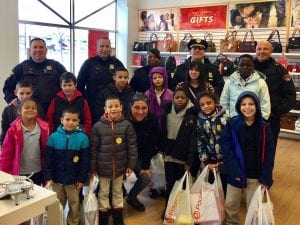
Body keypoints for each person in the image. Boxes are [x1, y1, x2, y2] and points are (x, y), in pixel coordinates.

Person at [220, 91, 275, 225]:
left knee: (253, 206)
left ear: (257, 106)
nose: (247, 107)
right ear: (239, 106)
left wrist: (266, 176)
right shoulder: (232, 124)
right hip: (236, 172)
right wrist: (233, 170)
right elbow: (226, 149)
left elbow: (270, 154)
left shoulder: (265, 127)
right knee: (231, 204)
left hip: (255, 174)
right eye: (244, 104)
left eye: (251, 104)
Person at [90, 96, 137, 225]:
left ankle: (118, 219)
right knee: (103, 193)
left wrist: (131, 164)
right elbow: (93, 150)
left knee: (118, 192)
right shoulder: (97, 127)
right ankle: (103, 219)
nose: (113, 109)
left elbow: (132, 146)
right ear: (105, 108)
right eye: (110, 106)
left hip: (120, 168)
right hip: (103, 169)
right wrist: (93, 168)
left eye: (116, 106)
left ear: (121, 107)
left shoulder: (127, 125)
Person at [44, 108, 89, 225]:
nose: (70, 122)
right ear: (61, 120)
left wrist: (81, 178)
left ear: (78, 121)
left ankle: (72, 222)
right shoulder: (53, 137)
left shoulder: (83, 138)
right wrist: (48, 176)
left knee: (74, 203)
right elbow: (48, 160)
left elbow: (85, 161)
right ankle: (56, 222)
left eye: (74, 120)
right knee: (57, 203)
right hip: (56, 180)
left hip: (74, 180)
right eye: (67, 119)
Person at [160, 87, 197, 219]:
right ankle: (168, 208)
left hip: (182, 157)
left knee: (182, 185)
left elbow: (193, 140)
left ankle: (181, 210)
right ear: (173, 98)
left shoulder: (192, 115)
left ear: (187, 99)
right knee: (169, 184)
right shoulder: (167, 112)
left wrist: (189, 160)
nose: (180, 100)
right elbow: (162, 132)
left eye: (183, 97)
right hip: (169, 156)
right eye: (177, 97)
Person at [3, 37, 67, 112]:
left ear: (46, 50)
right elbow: (7, 87)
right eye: (35, 47)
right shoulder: (21, 68)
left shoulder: (56, 66)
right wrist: (11, 98)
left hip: (53, 111)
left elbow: (68, 84)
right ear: (30, 50)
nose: (38, 50)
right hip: (29, 111)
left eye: (41, 47)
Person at [254, 40, 296, 147]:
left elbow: (290, 95)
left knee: (268, 150)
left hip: (271, 120)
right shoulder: (248, 68)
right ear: (255, 50)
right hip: (249, 117)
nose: (262, 51)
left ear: (271, 51)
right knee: (249, 151)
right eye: (259, 49)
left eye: (265, 49)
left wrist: (276, 111)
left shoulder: (279, 70)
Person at [0, 98, 49, 185]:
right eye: (26, 107)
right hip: (19, 174)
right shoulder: (13, 130)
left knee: (36, 196)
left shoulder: (44, 129)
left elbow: (47, 152)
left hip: (38, 172)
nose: (30, 109)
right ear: (19, 111)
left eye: (33, 108)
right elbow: (6, 155)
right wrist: (2, 175)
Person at [77, 37, 124, 124]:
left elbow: (124, 82)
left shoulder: (117, 63)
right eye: (101, 46)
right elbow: (80, 84)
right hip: (93, 106)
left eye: (107, 46)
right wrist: (84, 101)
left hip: (113, 106)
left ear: (110, 48)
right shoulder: (88, 63)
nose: (104, 49)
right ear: (97, 47)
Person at [126, 93, 160, 212]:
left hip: (140, 156)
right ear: (130, 106)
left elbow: (153, 144)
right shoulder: (123, 119)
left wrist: (145, 166)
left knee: (145, 178)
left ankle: (132, 197)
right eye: (136, 107)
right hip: (123, 156)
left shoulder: (152, 119)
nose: (140, 112)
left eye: (144, 108)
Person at [220, 54, 271, 120]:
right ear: (237, 66)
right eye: (242, 65)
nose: (245, 67)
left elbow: (265, 105)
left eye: (248, 65)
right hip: (233, 122)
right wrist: (226, 120)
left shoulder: (261, 82)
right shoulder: (229, 82)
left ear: (253, 67)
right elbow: (224, 102)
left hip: (253, 123)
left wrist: (260, 122)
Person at [196, 91, 228, 193]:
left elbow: (233, 141)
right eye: (202, 105)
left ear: (215, 103)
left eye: (209, 103)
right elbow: (200, 142)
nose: (206, 106)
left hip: (226, 161)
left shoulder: (226, 118)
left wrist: (228, 159)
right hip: (211, 162)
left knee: (225, 188)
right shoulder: (200, 121)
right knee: (213, 190)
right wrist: (206, 162)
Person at [0, 81, 44, 145]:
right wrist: (3, 145)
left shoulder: (38, 108)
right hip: (14, 144)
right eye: (21, 93)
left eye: (28, 93)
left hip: (33, 143)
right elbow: (5, 129)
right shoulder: (8, 110)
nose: (25, 96)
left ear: (32, 93)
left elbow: (42, 127)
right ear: (15, 93)